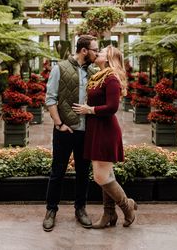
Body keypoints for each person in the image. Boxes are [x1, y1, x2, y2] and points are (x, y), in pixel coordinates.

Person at [72, 45, 137, 229]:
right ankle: (109, 214)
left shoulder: (111, 79)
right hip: (96, 128)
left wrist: (89, 109)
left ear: (108, 59)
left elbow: (112, 107)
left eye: (100, 52)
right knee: (107, 174)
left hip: (106, 130)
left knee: (101, 177)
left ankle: (128, 207)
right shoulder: (98, 77)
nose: (97, 53)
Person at [43, 35, 99, 232]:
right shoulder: (60, 68)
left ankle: (81, 209)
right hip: (65, 130)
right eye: (95, 49)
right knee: (57, 172)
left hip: (86, 131)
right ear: (84, 50)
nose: (97, 53)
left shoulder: (94, 72)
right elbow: (50, 98)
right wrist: (59, 124)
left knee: (84, 173)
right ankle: (51, 211)